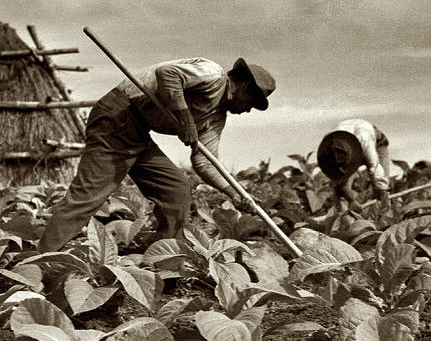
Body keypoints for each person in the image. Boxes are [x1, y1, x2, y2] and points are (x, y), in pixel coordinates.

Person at [38, 56, 275, 252]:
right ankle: (43, 259)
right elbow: (168, 74)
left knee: (177, 189)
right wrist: (185, 120)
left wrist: (235, 193)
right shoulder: (211, 74)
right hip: (117, 118)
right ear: (244, 87)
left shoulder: (215, 118)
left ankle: (166, 259)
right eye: (252, 103)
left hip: (138, 134)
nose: (247, 111)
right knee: (89, 196)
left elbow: (205, 161)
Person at [316, 118, 391, 209]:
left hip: (375, 140)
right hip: (345, 142)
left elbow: (375, 168)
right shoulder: (330, 150)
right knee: (339, 192)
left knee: (381, 188)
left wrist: (382, 192)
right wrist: (351, 201)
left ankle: (381, 215)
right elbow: (338, 183)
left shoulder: (364, 140)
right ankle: (342, 216)